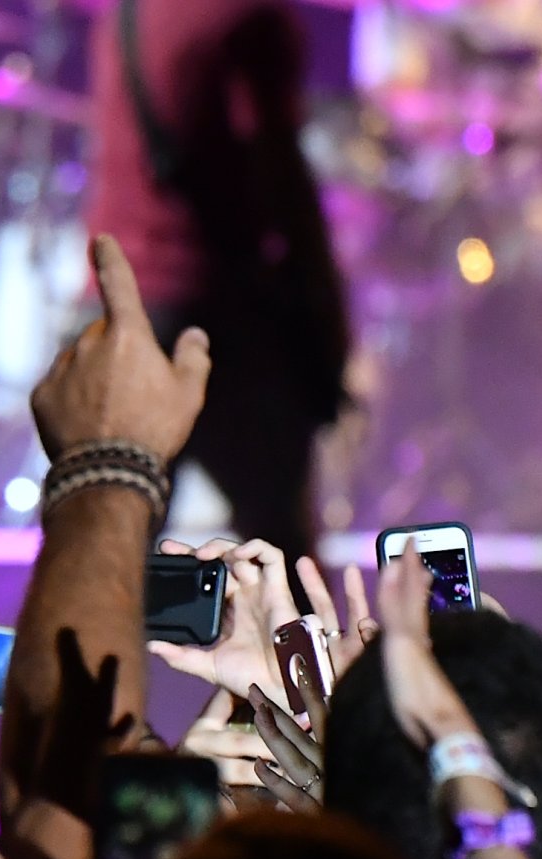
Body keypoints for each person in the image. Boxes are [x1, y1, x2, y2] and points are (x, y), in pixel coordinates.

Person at [84, 0, 352, 557]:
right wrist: (325, 310)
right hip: (218, 316)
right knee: (285, 559)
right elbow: (281, 173)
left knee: (105, 565)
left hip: (119, 307)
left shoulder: (128, 10)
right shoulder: (251, 15)